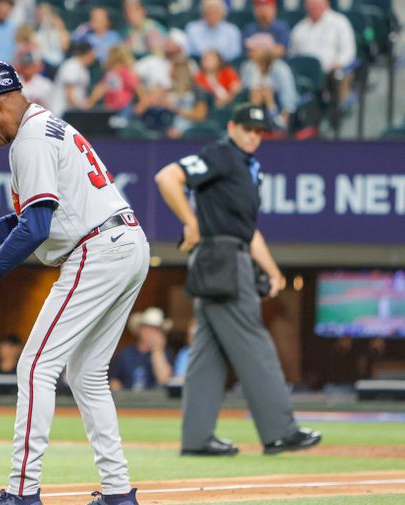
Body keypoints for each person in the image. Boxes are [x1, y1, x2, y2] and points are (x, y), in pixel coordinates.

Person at [0, 60, 149, 505]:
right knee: (85, 375)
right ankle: (118, 492)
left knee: (35, 366)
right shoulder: (46, 128)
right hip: (124, 242)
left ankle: (23, 495)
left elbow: (37, 226)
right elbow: (37, 216)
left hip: (98, 250)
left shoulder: (29, 140)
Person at [154, 103, 321, 457]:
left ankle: (197, 438)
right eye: (247, 128)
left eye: (260, 131)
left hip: (226, 255)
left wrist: (273, 271)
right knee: (255, 343)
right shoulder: (222, 154)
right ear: (232, 126)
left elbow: (248, 231)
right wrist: (191, 221)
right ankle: (280, 431)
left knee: (207, 353)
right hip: (223, 259)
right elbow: (167, 177)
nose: (253, 135)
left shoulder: (248, 169)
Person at [241, 33, 297, 130]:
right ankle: (252, 124)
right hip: (255, 105)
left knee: (267, 93)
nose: (250, 53)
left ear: (265, 51)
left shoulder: (281, 69)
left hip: (276, 107)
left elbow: (289, 99)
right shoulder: (248, 66)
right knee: (256, 94)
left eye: (254, 49)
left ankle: (275, 124)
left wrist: (283, 116)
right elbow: (244, 90)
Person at [110, 307, 174, 391]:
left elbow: (164, 379)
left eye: (155, 329)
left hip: (155, 402)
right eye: (148, 328)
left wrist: (157, 350)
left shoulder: (165, 353)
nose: (151, 333)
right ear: (140, 330)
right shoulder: (126, 353)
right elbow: (114, 380)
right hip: (128, 401)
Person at [85, 44, 141, 115]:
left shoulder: (126, 73)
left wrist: (137, 110)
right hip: (110, 108)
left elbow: (139, 90)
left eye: (109, 56)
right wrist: (90, 102)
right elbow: (101, 88)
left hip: (124, 109)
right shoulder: (110, 73)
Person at [52, 40, 96, 119]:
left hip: (71, 112)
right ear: (88, 53)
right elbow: (69, 95)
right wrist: (79, 112)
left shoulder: (83, 68)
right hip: (62, 112)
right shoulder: (71, 65)